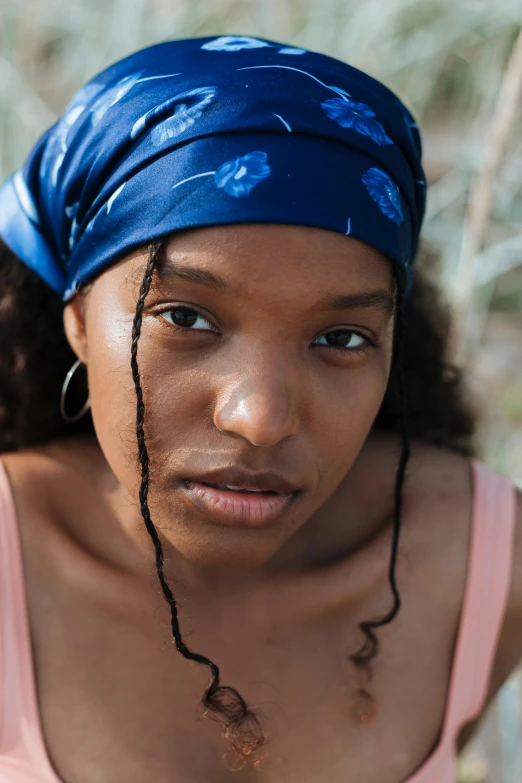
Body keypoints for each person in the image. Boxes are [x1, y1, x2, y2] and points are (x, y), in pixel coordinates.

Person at [0, 34, 520, 783]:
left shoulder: (483, 571)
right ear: (78, 318)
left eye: (341, 336)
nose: (262, 417)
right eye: (186, 317)